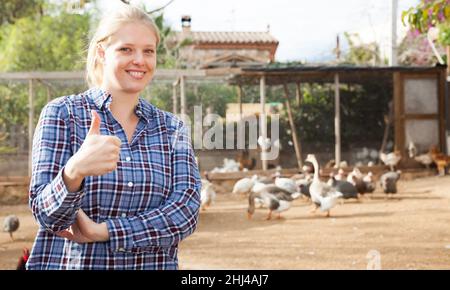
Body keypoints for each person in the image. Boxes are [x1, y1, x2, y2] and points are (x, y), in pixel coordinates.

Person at [27, 4, 201, 270]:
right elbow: (46, 216)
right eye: (126, 49)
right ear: (101, 52)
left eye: (148, 51)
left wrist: (106, 231)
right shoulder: (63, 114)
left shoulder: (172, 127)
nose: (139, 60)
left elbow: (185, 212)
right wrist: (73, 173)